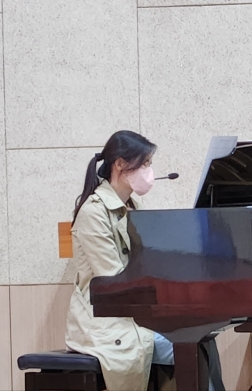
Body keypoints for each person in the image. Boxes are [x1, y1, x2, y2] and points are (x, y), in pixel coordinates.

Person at [64, 130, 222, 391]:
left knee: (201, 337)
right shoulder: (93, 212)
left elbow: (149, 260)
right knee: (189, 346)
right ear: (120, 164)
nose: (149, 170)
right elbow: (114, 279)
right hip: (107, 324)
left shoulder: (133, 206)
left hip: (137, 316)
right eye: (145, 163)